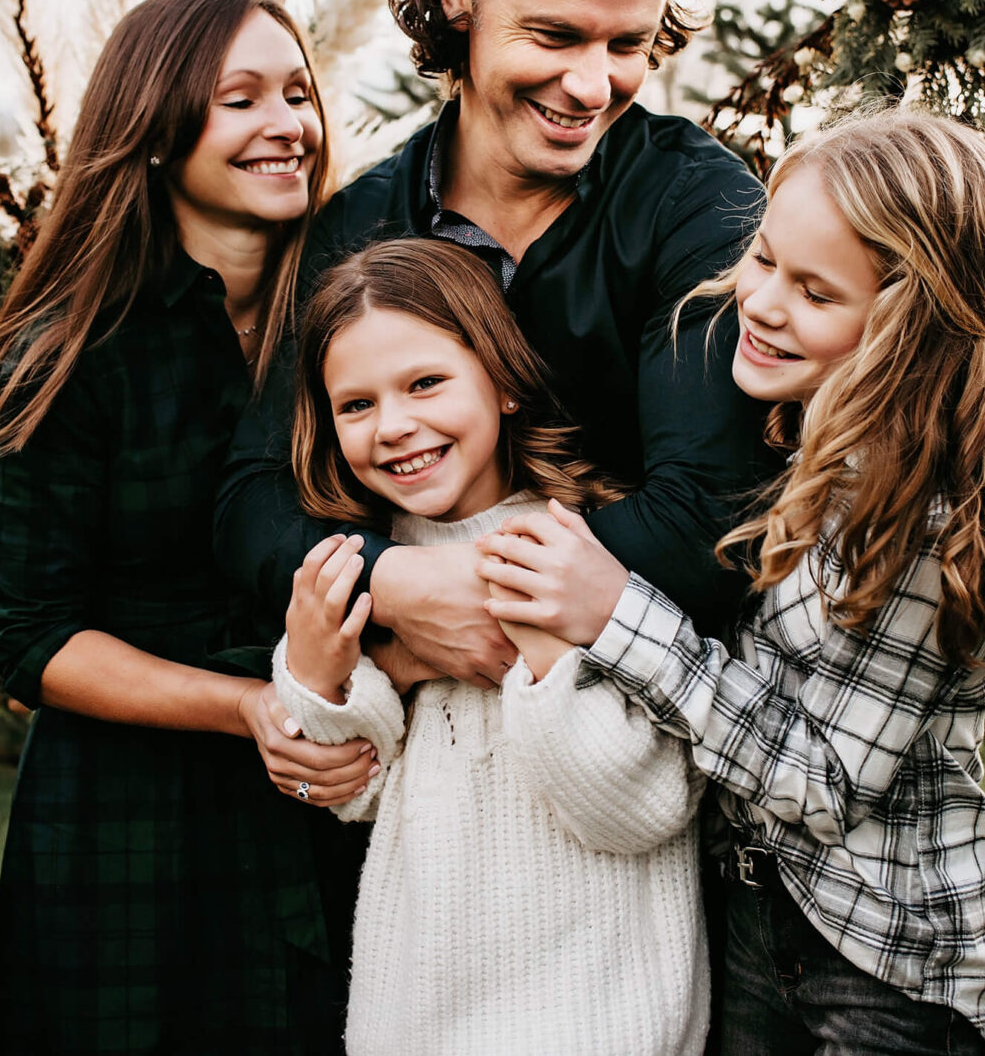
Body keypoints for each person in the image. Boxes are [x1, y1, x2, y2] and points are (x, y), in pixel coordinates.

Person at [476, 111, 985, 1055]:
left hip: (883, 959)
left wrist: (618, 613)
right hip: (754, 913)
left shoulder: (918, 512)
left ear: (906, 326)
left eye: (814, 291)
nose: (759, 303)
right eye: (763, 258)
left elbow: (822, 783)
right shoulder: (795, 426)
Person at [215, 0, 776, 687]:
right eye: (554, 37)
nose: (593, 87)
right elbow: (254, 498)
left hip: (643, 742)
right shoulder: (359, 231)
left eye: (627, 44)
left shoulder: (701, 207)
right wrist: (396, 584)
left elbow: (709, 520)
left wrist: (460, 599)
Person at [0, 0, 372, 1054]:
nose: (287, 124)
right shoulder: (69, 352)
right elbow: (28, 634)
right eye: (241, 99)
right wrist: (248, 705)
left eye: (296, 92)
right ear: (154, 131)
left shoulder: (351, 319)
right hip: (126, 816)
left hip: (324, 787)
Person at [271, 237, 708, 1055]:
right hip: (416, 1012)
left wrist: (544, 659)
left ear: (504, 384)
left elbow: (644, 810)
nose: (395, 427)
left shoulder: (587, 554)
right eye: (356, 405)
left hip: (594, 1017)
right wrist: (318, 675)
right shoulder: (369, 566)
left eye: (426, 383)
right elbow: (349, 795)